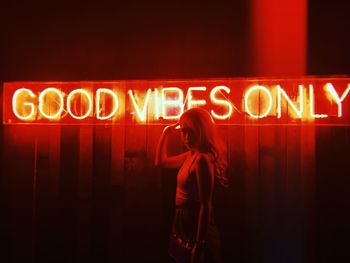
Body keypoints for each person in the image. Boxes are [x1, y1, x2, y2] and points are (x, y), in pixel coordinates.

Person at [155, 108, 228, 263]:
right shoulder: (191, 155)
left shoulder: (202, 160)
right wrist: (165, 132)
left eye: (191, 131)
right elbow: (160, 162)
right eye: (183, 131)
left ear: (201, 131)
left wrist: (200, 243)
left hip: (193, 219)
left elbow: (205, 204)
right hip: (181, 218)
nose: (186, 137)